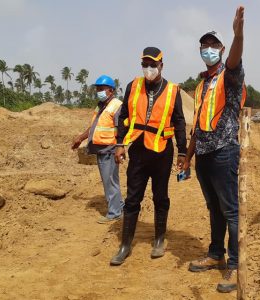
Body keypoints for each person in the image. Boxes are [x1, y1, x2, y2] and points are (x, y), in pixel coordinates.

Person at [182, 6, 246, 293]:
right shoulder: (200, 85)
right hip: (205, 155)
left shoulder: (228, 77)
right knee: (213, 208)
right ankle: (215, 253)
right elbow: (197, 124)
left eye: (213, 45)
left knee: (231, 210)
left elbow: (234, 60)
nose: (208, 49)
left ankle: (234, 265)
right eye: (204, 45)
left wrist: (238, 34)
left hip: (225, 151)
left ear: (221, 49)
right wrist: (187, 157)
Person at [110, 47, 187, 265]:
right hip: (138, 150)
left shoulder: (173, 90)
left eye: (153, 64)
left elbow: (179, 121)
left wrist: (182, 150)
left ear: (162, 65)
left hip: (163, 151)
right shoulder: (132, 86)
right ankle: (125, 245)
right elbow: (123, 115)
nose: (149, 69)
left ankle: (159, 239)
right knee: (133, 197)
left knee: (160, 197)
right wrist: (120, 144)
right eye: (145, 64)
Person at [71, 75, 125, 224]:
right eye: (97, 89)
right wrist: (80, 138)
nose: (98, 91)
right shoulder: (101, 106)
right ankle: (119, 206)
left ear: (111, 90)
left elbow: (121, 129)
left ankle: (115, 212)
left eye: (101, 89)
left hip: (110, 149)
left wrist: (120, 148)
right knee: (109, 180)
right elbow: (94, 126)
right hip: (101, 149)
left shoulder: (116, 105)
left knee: (110, 181)